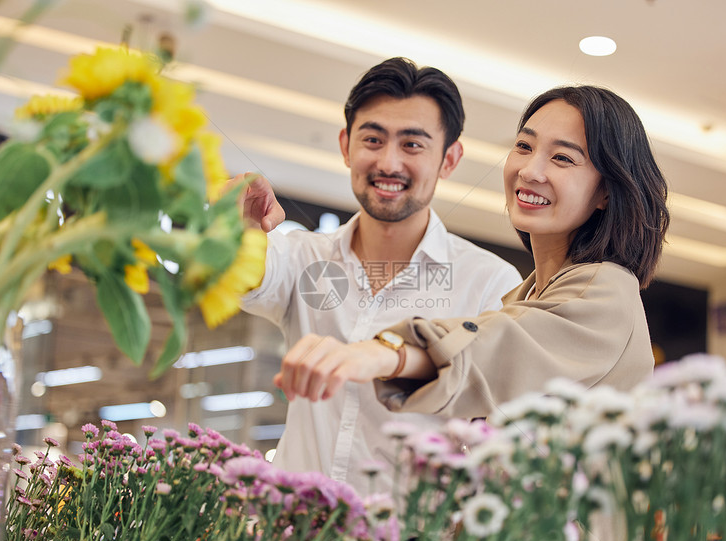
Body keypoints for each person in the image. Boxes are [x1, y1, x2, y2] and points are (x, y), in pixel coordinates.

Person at [274, 85, 670, 420]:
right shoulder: (526, 296)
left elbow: (493, 352)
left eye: (562, 158)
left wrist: (383, 353)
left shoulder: (607, 289)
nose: (530, 170)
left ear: (606, 190)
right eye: (524, 146)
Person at [234, 57, 521, 495]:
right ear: (346, 145)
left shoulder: (489, 283)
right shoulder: (303, 256)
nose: (389, 162)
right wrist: (241, 227)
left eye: (412, 145)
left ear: (450, 158)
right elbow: (250, 274)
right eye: (373, 139)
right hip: (291, 540)